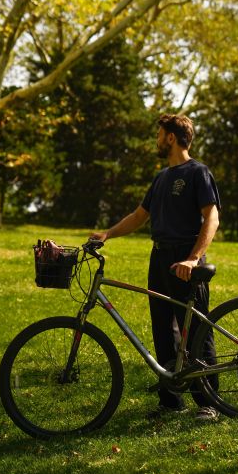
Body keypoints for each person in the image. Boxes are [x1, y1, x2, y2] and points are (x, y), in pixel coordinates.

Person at [91, 113, 221, 421]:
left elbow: (212, 218)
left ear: (171, 138)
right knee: (163, 329)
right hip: (159, 257)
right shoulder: (161, 178)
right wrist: (107, 233)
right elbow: (139, 216)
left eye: (159, 135)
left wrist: (192, 258)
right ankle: (171, 398)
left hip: (185, 257)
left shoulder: (197, 172)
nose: (157, 140)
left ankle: (209, 402)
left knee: (196, 331)